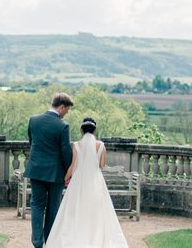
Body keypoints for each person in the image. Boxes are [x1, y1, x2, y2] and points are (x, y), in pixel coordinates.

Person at [45, 117, 129, 248]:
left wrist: (65, 178)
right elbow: (102, 165)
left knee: (75, 210)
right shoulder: (101, 145)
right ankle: (94, 237)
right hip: (95, 181)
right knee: (96, 210)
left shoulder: (76, 145)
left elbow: (72, 166)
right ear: (95, 130)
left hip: (78, 181)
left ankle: (76, 236)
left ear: (81, 130)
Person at [24, 93, 74, 248]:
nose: (67, 113)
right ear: (62, 107)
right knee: (53, 208)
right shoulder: (62, 126)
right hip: (55, 173)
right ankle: (50, 241)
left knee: (37, 206)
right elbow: (66, 152)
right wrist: (68, 173)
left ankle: (37, 243)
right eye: (67, 109)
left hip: (36, 170)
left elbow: (32, 143)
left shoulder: (34, 120)